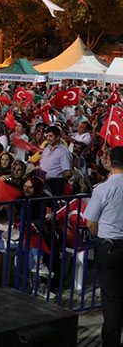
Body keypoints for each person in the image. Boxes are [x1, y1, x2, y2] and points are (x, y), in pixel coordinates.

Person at [84, 146, 123, 347]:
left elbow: (90, 222)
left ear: (109, 162)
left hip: (110, 248)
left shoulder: (103, 189)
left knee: (112, 297)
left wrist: (101, 236)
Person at [40, 125, 73, 196]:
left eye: (50, 136)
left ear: (58, 137)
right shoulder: (46, 149)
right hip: (43, 182)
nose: (48, 138)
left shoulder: (63, 152)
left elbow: (67, 172)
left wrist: (59, 181)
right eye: (47, 136)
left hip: (56, 184)